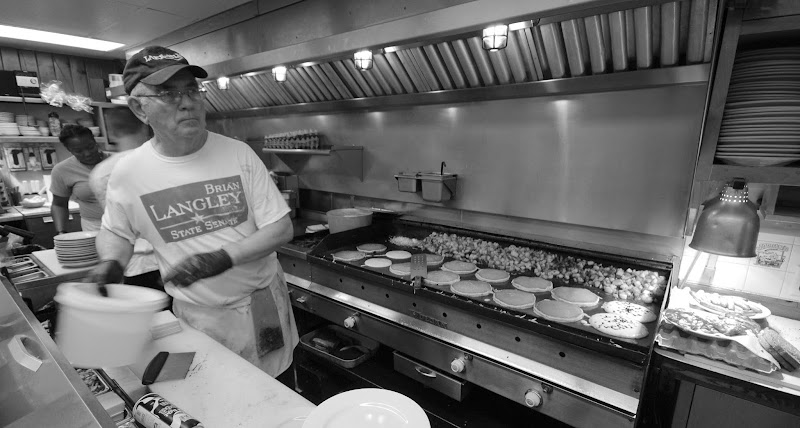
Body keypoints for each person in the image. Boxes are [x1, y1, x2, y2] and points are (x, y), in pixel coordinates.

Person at [87, 46, 299, 377]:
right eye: (167, 94)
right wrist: (111, 262)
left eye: (191, 90)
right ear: (139, 109)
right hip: (200, 315)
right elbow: (116, 231)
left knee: (277, 388)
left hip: (262, 305)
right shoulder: (129, 173)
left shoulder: (237, 154)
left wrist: (222, 257)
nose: (187, 102)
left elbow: (281, 229)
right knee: (214, 397)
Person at [51, 124, 161, 288]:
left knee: (134, 268)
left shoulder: (120, 161)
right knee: (106, 274)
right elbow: (59, 204)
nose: (87, 153)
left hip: (128, 225)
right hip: (93, 230)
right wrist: (61, 234)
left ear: (95, 141)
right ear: (69, 150)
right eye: (79, 151)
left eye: (90, 146)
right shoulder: (62, 171)